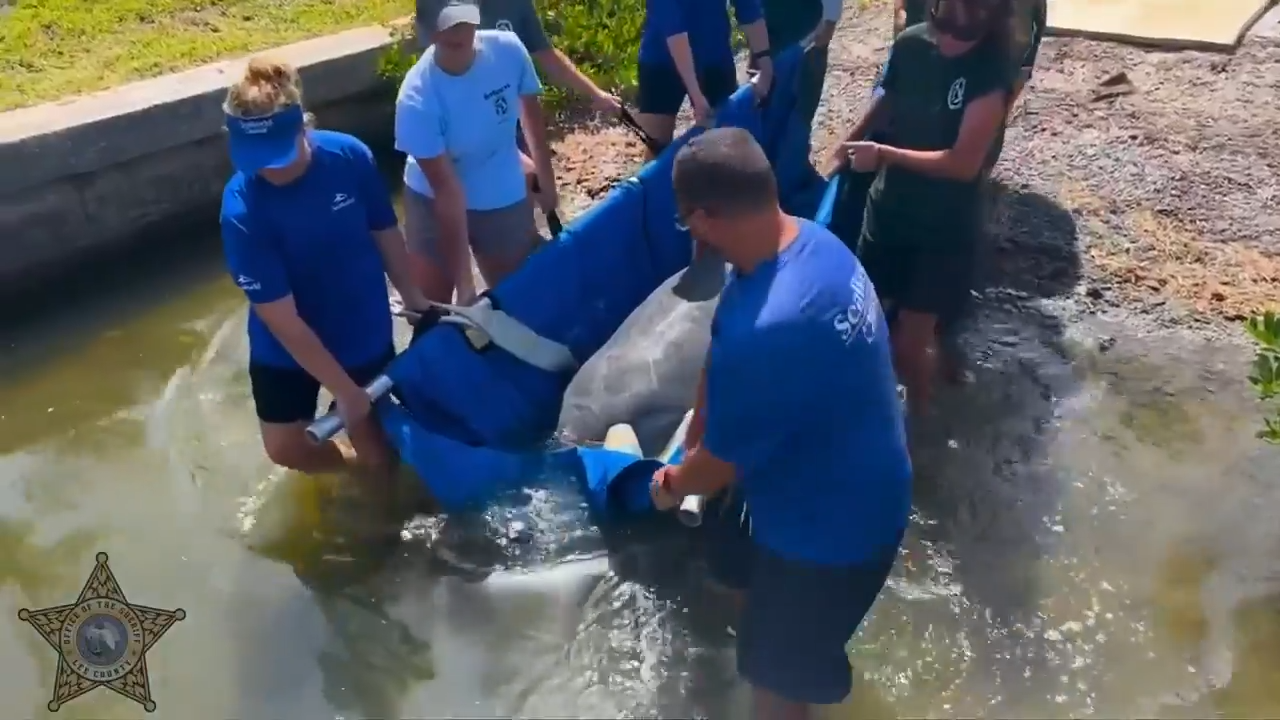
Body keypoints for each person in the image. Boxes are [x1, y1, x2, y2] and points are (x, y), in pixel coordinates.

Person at [650, 128, 911, 718]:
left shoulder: (771, 331)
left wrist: (669, 486)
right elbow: (720, 354)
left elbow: (714, 471)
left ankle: (776, 666)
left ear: (700, 219)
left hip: (832, 540)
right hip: (854, 475)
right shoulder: (813, 244)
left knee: (777, 699)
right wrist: (696, 437)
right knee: (742, 593)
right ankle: (763, 640)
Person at [220, 56, 430, 475]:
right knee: (284, 448)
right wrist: (343, 391)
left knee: (375, 448)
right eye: (255, 158)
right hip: (286, 343)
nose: (267, 168)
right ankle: (346, 473)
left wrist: (414, 297)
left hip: (358, 326)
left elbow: (384, 231)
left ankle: (383, 507)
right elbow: (284, 322)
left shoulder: (349, 157)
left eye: (276, 154)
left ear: (303, 127)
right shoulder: (242, 210)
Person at [831, 0, 1017, 417]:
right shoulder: (910, 45)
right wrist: (852, 139)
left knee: (910, 344)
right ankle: (866, 411)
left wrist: (883, 154)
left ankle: (918, 417)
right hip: (888, 212)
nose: (953, 36)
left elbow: (963, 164)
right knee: (866, 322)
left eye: (968, 27)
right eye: (946, 20)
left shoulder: (992, 73)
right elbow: (890, 99)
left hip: (944, 228)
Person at [397, 0, 555, 304]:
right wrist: (465, 284)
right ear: (426, 31)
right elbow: (447, 193)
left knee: (519, 297)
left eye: (463, 21)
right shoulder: (416, 98)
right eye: (445, 25)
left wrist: (546, 180)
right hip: (432, 196)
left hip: (499, 181)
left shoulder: (508, 50)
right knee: (431, 306)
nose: (457, 33)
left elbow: (530, 115)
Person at [415, 0, 622, 216]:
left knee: (523, 211)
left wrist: (596, 94)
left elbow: (546, 56)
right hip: (460, 137)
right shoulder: (438, 9)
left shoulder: (516, 5)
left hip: (508, 122)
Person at [637, 0, 774, 152]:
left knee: (726, 144)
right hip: (662, 59)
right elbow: (672, 27)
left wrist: (765, 65)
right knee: (657, 147)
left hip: (714, 57)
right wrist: (696, 93)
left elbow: (748, 8)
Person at [758, 0, 843, 125]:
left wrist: (830, 21)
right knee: (769, 117)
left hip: (808, 45)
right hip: (769, 44)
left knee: (799, 118)